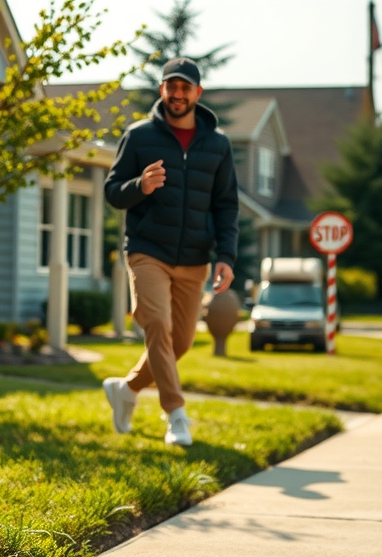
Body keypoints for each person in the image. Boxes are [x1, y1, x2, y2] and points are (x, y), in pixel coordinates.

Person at [101, 57, 239, 446]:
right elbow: (112, 191)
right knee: (156, 324)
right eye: (171, 86)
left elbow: (226, 205)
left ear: (198, 93)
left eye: (185, 87)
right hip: (148, 250)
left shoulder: (218, 145)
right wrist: (139, 187)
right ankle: (176, 415)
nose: (177, 94)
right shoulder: (139, 136)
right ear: (162, 90)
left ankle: (126, 390)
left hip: (195, 258)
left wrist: (226, 257)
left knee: (180, 342)